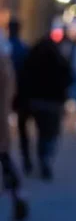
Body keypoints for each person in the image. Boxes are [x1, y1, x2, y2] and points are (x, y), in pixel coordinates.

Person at [21, 35, 73, 180]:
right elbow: (68, 77)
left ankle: (42, 157)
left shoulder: (32, 60)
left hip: (38, 103)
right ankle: (46, 157)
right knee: (51, 134)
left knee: (42, 133)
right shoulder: (59, 60)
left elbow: (25, 80)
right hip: (54, 104)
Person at [0, 30, 28, 221]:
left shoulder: (3, 66)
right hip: (2, 126)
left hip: (0, 126)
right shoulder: (6, 65)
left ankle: (19, 200)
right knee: (6, 161)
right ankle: (18, 199)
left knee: (6, 162)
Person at [8, 19, 32, 173]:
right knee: (23, 130)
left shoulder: (6, 48)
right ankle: (26, 160)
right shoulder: (24, 48)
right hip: (22, 94)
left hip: (8, 94)